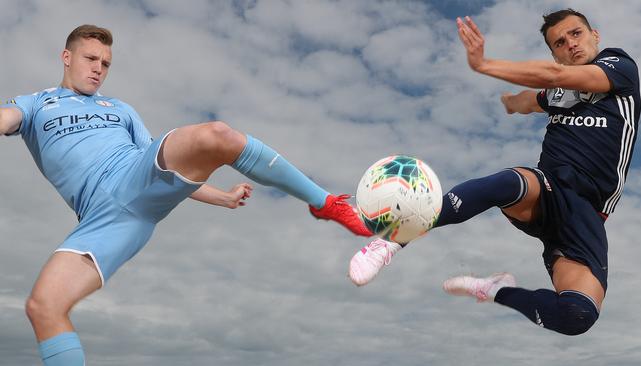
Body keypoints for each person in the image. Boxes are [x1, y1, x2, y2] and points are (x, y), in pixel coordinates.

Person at [0, 25, 372, 365]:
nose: (99, 68)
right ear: (67, 57)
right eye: (91, 59)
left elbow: (163, 165)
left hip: (134, 175)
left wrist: (220, 198)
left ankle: (325, 203)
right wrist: (226, 199)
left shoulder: (120, 110)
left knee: (217, 135)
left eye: (106, 63)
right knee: (43, 306)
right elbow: (7, 119)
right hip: (103, 222)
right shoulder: (36, 103)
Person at [347, 9, 640, 336]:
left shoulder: (620, 68)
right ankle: (393, 238)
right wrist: (513, 103)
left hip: (587, 214)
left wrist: (484, 65)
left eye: (576, 34)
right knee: (507, 183)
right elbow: (536, 97)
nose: (571, 44)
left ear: (594, 35)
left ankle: (493, 289)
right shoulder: (558, 94)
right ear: (554, 53)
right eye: (560, 42)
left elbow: (553, 78)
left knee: (577, 316)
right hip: (546, 190)